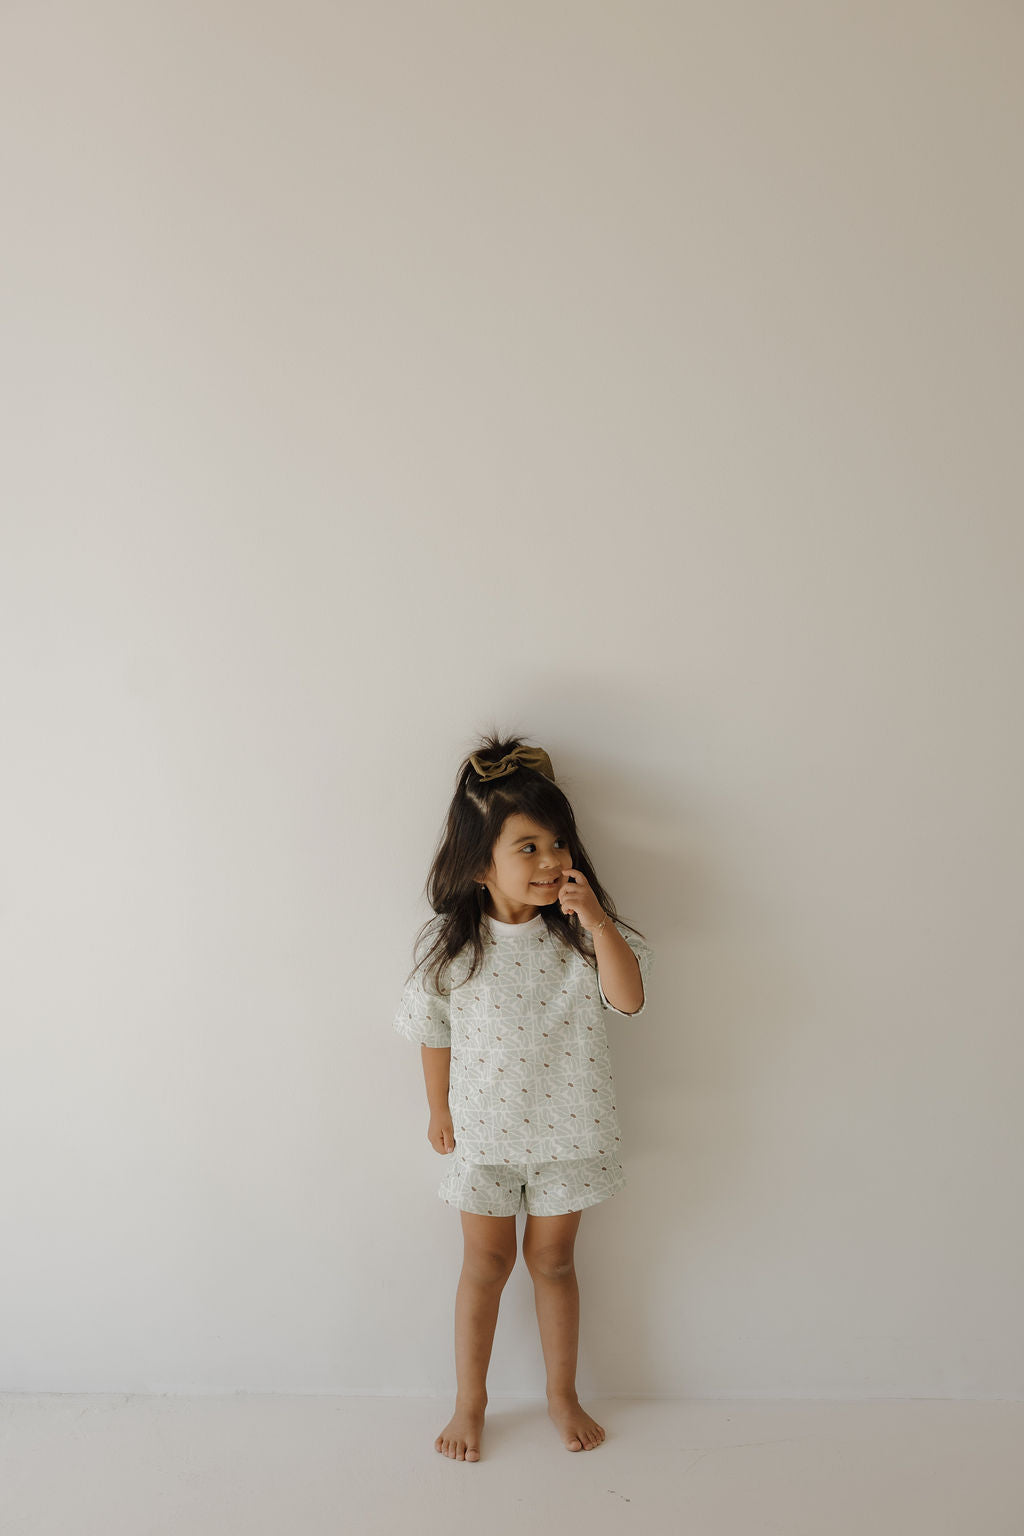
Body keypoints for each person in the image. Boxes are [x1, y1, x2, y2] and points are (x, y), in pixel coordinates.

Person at [393, 732, 654, 1461]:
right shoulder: (454, 946)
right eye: (529, 848)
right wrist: (438, 1109)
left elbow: (629, 1001)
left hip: (571, 1134)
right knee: (483, 1266)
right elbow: (431, 1029)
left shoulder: (581, 936)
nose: (551, 862)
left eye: (558, 844)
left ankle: (562, 1394)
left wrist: (597, 920)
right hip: (484, 1137)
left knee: (556, 1264)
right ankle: (469, 1402)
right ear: (482, 865)